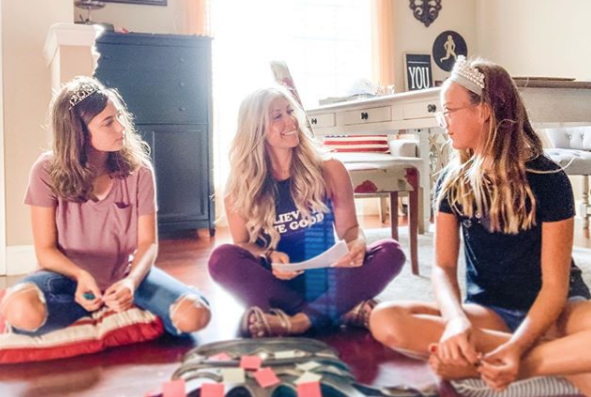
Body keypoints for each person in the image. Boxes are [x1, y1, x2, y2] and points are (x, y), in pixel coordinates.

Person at [370, 56, 591, 394]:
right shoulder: (451, 181)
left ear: (484, 110)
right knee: (384, 320)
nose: (442, 121)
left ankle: (518, 364)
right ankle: (561, 361)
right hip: (491, 312)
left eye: (449, 110)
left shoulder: (549, 179)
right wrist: (456, 320)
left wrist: (518, 348)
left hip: (555, 312)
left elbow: (554, 288)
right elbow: (443, 268)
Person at [0, 76, 210, 337]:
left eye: (119, 116)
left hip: (123, 275)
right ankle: (93, 307)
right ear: (78, 134)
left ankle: (106, 305)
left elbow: (148, 243)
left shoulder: (139, 171)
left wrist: (131, 282)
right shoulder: (45, 171)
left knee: (196, 314)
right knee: (19, 309)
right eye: (108, 122)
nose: (122, 127)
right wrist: (79, 276)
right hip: (66, 277)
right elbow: (45, 251)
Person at [208, 85, 405, 338]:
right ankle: (337, 311)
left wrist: (357, 243)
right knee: (221, 258)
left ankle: (297, 320)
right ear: (256, 130)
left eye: (290, 111)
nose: (291, 120)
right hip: (277, 282)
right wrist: (268, 256)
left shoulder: (330, 169)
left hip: (328, 277)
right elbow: (243, 245)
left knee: (391, 252)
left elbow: (350, 230)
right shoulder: (238, 187)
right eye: (277, 116)